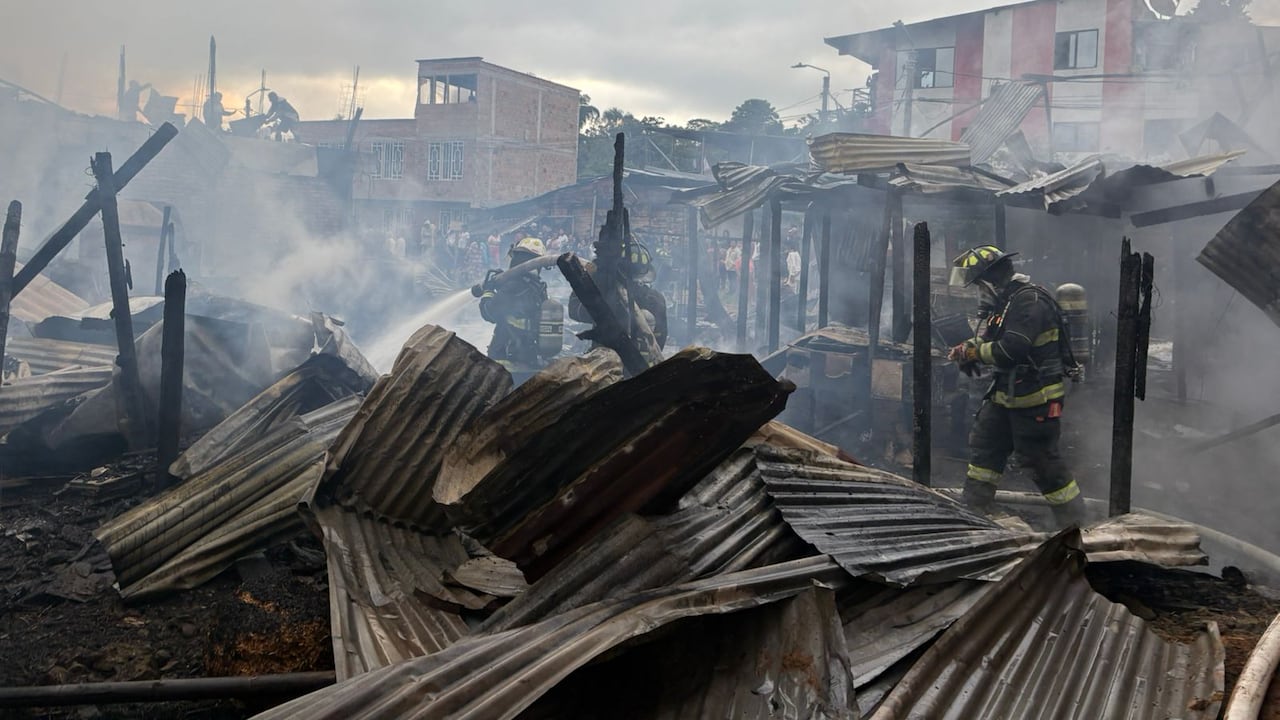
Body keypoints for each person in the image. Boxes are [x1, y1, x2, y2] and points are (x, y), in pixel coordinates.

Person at [947, 245, 1087, 529]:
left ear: (989, 280)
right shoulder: (1005, 303)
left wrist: (975, 354)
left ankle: (1075, 526)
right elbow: (990, 338)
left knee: (1041, 462)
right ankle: (974, 509)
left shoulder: (1028, 302)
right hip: (1005, 397)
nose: (978, 293)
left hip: (1036, 399)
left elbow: (1012, 349)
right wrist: (965, 349)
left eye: (978, 286)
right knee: (985, 448)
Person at [473, 237, 551, 369]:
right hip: (530, 357)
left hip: (506, 359)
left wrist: (488, 291)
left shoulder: (514, 287)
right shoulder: (538, 287)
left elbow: (489, 313)